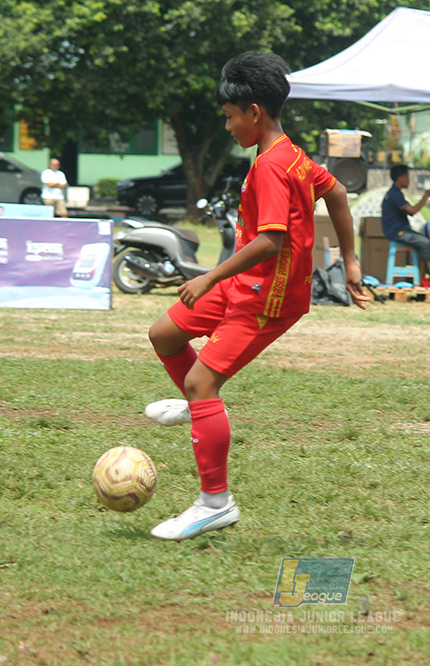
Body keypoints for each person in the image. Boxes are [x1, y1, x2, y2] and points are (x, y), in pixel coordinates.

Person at [143, 52, 371, 542]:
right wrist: (350, 260)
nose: (227, 127)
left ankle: (215, 503)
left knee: (204, 382)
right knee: (164, 334)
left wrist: (207, 277)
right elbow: (335, 194)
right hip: (241, 284)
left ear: (254, 112)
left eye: (229, 117)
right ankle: (196, 402)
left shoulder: (272, 165)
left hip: (267, 296)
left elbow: (273, 240)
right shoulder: (292, 154)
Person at [381, 164, 430, 288]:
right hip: (397, 232)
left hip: (401, 231)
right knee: (424, 243)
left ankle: (429, 277)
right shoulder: (394, 194)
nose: (409, 180)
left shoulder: (397, 193)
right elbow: (412, 210)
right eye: (407, 176)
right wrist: (426, 196)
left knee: (426, 241)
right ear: (400, 178)